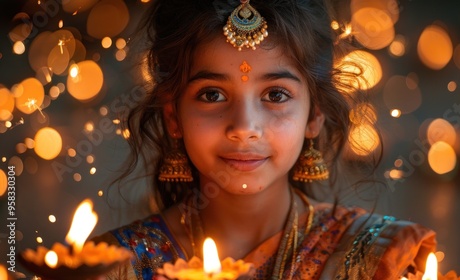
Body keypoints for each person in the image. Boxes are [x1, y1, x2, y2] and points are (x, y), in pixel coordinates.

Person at [92, 0, 436, 279]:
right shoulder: (113, 267)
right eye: (212, 95)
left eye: (275, 94)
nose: (244, 127)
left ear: (314, 115)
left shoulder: (375, 258)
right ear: (173, 117)